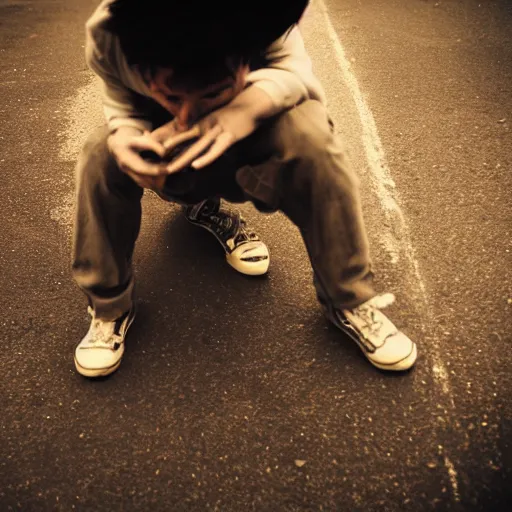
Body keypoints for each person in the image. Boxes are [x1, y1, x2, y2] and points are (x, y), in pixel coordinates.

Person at [72, 0, 418, 378]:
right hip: (166, 150)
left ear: (243, 58)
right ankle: (109, 305)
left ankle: (348, 298)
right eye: (172, 96)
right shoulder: (109, 35)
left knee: (311, 135)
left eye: (213, 93)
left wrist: (244, 109)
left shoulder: (260, 17)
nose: (189, 117)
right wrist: (124, 132)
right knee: (98, 153)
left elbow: (296, 74)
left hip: (249, 134)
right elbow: (120, 101)